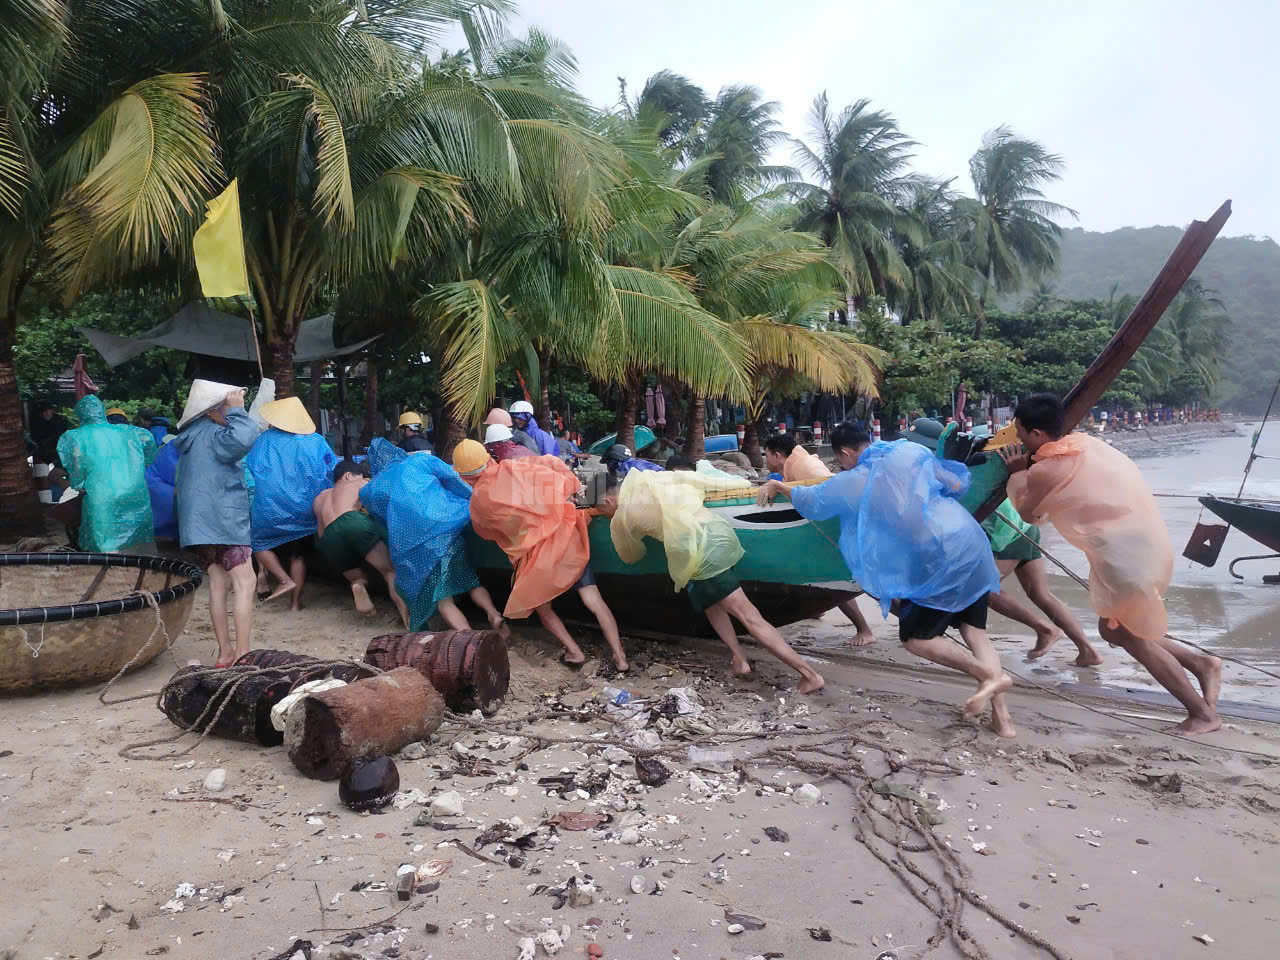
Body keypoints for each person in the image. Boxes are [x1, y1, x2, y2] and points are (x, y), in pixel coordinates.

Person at [758, 423, 1014, 738]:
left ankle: (987, 675)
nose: (842, 466)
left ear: (845, 453)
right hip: (968, 542)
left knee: (916, 639)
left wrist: (778, 486)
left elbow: (813, 500)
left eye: (840, 461)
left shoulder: (855, 479)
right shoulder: (909, 451)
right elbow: (954, 482)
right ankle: (1002, 721)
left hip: (938, 560)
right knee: (975, 632)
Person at [999, 393, 1221, 735]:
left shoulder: (1044, 469)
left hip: (1122, 555)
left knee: (1129, 634)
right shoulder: (1088, 445)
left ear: (1037, 435)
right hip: (1143, 540)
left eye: (1020, 432)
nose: (1017, 439)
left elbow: (1030, 514)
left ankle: (1202, 714)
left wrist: (1017, 473)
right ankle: (1200, 663)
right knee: (1113, 629)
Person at [599, 470, 824, 693]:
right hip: (719, 536)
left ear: (608, 500)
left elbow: (630, 555)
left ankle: (810, 675)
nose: (604, 514)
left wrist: (616, 525)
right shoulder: (651, 479)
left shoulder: (624, 515)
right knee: (711, 605)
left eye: (601, 509)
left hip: (702, 554)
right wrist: (743, 484)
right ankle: (739, 660)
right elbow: (700, 479)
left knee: (750, 617)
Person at [454, 439, 628, 671]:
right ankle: (620, 657)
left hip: (538, 561)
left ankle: (575, 652)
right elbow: (552, 464)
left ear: (464, 477)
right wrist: (573, 487)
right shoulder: (513, 467)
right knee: (592, 599)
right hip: (567, 539)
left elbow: (485, 532)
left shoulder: (478, 503)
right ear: (488, 458)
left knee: (541, 607)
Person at [361, 438, 507, 633]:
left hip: (418, 547)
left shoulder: (373, 487)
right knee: (471, 582)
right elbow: (454, 479)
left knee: (442, 600)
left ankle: (469, 637)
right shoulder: (420, 460)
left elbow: (381, 517)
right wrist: (474, 497)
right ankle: (494, 614)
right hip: (448, 525)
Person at [762, 431, 878, 646]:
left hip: (838, 531)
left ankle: (868, 630)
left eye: (766, 455)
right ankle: (819, 610)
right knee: (844, 582)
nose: (765, 460)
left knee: (859, 583)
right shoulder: (796, 465)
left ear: (777, 455)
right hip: (831, 530)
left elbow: (826, 492)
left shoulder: (806, 467)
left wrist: (778, 487)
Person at [174, 380, 261, 667]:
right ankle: (244, 656)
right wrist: (238, 412)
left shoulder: (191, 437)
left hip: (199, 525)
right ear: (213, 410)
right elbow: (242, 440)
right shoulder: (215, 435)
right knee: (245, 583)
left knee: (218, 584)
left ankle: (225, 653)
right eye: (227, 405)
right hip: (224, 519)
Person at [981, 499, 1104, 666]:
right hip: (1025, 524)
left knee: (985, 590)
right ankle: (1088, 650)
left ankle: (1044, 629)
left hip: (1004, 531)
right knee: (1040, 593)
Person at [245, 396, 336, 609]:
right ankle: (295, 604)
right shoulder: (316, 440)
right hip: (307, 507)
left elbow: (252, 466)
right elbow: (331, 467)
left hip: (271, 507)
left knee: (258, 544)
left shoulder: (264, 440)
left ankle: (282, 579)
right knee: (298, 555)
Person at [313, 460, 411, 627]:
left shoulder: (320, 497)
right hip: (352, 521)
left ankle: (358, 584)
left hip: (327, 539)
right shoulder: (360, 482)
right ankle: (409, 620)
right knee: (390, 571)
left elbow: (320, 530)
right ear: (348, 475)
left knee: (357, 575)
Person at [56, 395, 158, 553]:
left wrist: (78, 484)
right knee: (137, 535)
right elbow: (149, 442)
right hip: (135, 492)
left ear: (80, 414)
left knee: (105, 539)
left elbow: (75, 464)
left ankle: (108, 571)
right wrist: (144, 463)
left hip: (101, 495)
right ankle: (142, 570)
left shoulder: (74, 436)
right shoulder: (131, 431)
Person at [763, 433, 829, 482]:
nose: (766, 460)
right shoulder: (800, 461)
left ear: (777, 456)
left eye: (767, 456)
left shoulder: (802, 467)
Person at [30, 400, 70, 466]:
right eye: (42, 412)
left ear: (52, 410)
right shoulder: (36, 423)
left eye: (47, 411)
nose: (45, 414)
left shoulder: (60, 421)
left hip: (59, 454)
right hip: (43, 456)